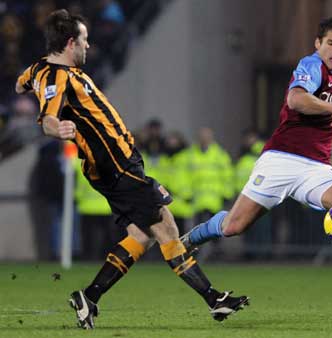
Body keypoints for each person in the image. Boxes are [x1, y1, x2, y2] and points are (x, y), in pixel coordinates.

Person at [15, 9, 248, 330]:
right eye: (84, 40)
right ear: (70, 43)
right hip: (117, 165)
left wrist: (36, 84)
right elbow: (49, 118)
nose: (88, 45)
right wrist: (60, 128)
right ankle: (214, 300)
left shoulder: (39, 70)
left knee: (140, 235)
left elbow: (19, 85)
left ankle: (90, 296)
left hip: (117, 166)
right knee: (166, 227)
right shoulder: (58, 77)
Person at [181, 17, 332, 263]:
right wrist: (331, 109)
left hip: (316, 167)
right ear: (317, 44)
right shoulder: (311, 65)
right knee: (233, 226)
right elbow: (296, 99)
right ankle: (191, 238)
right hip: (282, 160)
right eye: (331, 43)